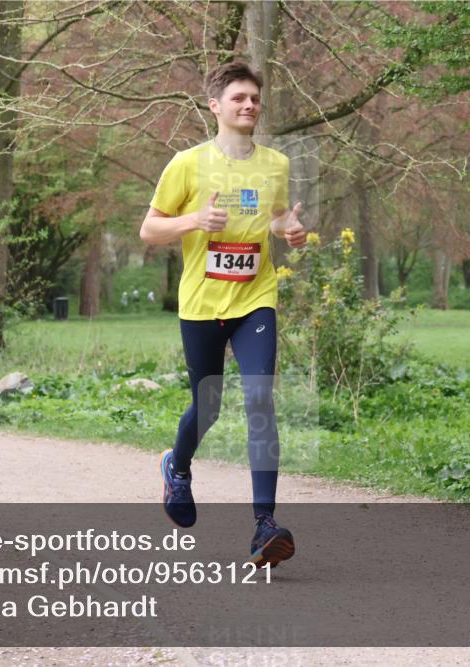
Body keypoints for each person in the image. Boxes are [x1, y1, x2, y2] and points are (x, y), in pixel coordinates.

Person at [139, 61, 306, 568]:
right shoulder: (187, 164)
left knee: (260, 399)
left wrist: (288, 230)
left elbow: (275, 214)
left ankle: (264, 525)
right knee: (207, 405)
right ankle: (178, 466)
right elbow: (150, 230)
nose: (249, 105)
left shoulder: (275, 163)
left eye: (254, 97)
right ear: (215, 106)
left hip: (256, 297)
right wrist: (195, 219)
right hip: (201, 302)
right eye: (238, 98)